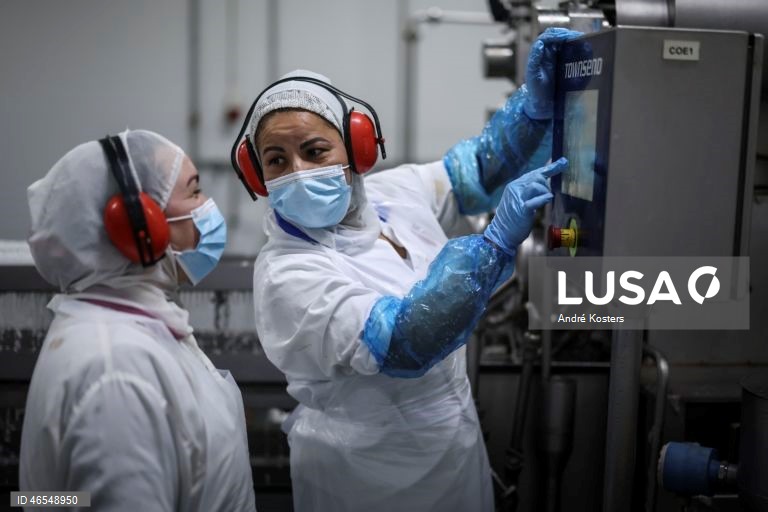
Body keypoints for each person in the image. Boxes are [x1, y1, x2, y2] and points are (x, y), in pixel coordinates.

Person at [234, 28, 579, 511]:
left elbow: (478, 172)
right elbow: (403, 340)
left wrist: (532, 111)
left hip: (451, 450)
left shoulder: (393, 195)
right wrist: (495, 245)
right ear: (257, 175)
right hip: (364, 474)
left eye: (314, 152)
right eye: (276, 160)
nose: (298, 171)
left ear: (356, 148)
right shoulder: (288, 274)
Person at [20, 129, 257, 511]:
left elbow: (57, 500)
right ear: (140, 227)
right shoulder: (116, 373)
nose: (208, 207)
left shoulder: (127, 327)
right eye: (194, 192)